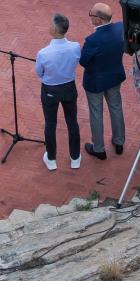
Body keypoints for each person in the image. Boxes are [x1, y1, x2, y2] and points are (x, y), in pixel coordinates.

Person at [35, 14, 84, 171]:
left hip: (50, 89)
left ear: (55, 30)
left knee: (50, 124)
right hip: (69, 87)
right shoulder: (75, 46)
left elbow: (39, 73)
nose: (49, 26)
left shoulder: (43, 53)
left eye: (51, 24)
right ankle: (75, 158)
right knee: (72, 121)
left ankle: (51, 158)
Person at [79, 4, 127, 160]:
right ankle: (119, 142)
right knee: (116, 108)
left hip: (95, 82)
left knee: (96, 113)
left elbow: (83, 61)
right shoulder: (120, 28)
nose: (90, 17)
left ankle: (99, 149)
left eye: (91, 15)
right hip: (114, 77)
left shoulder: (93, 40)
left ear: (98, 20)